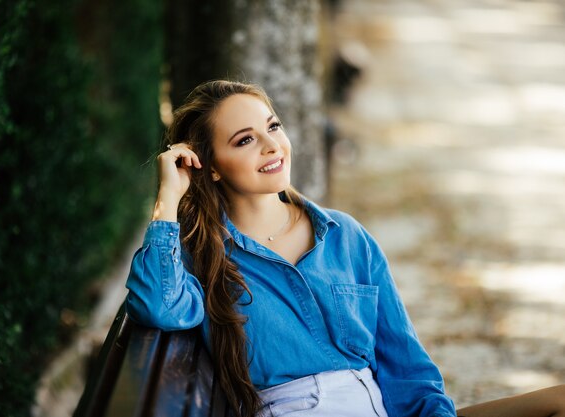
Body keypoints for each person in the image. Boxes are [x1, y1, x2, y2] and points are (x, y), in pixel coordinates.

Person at [124, 80, 565, 417]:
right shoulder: (205, 255)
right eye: (245, 140)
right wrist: (169, 198)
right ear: (211, 166)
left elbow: (405, 366)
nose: (272, 145)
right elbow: (156, 305)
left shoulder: (346, 236)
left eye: (272, 126)